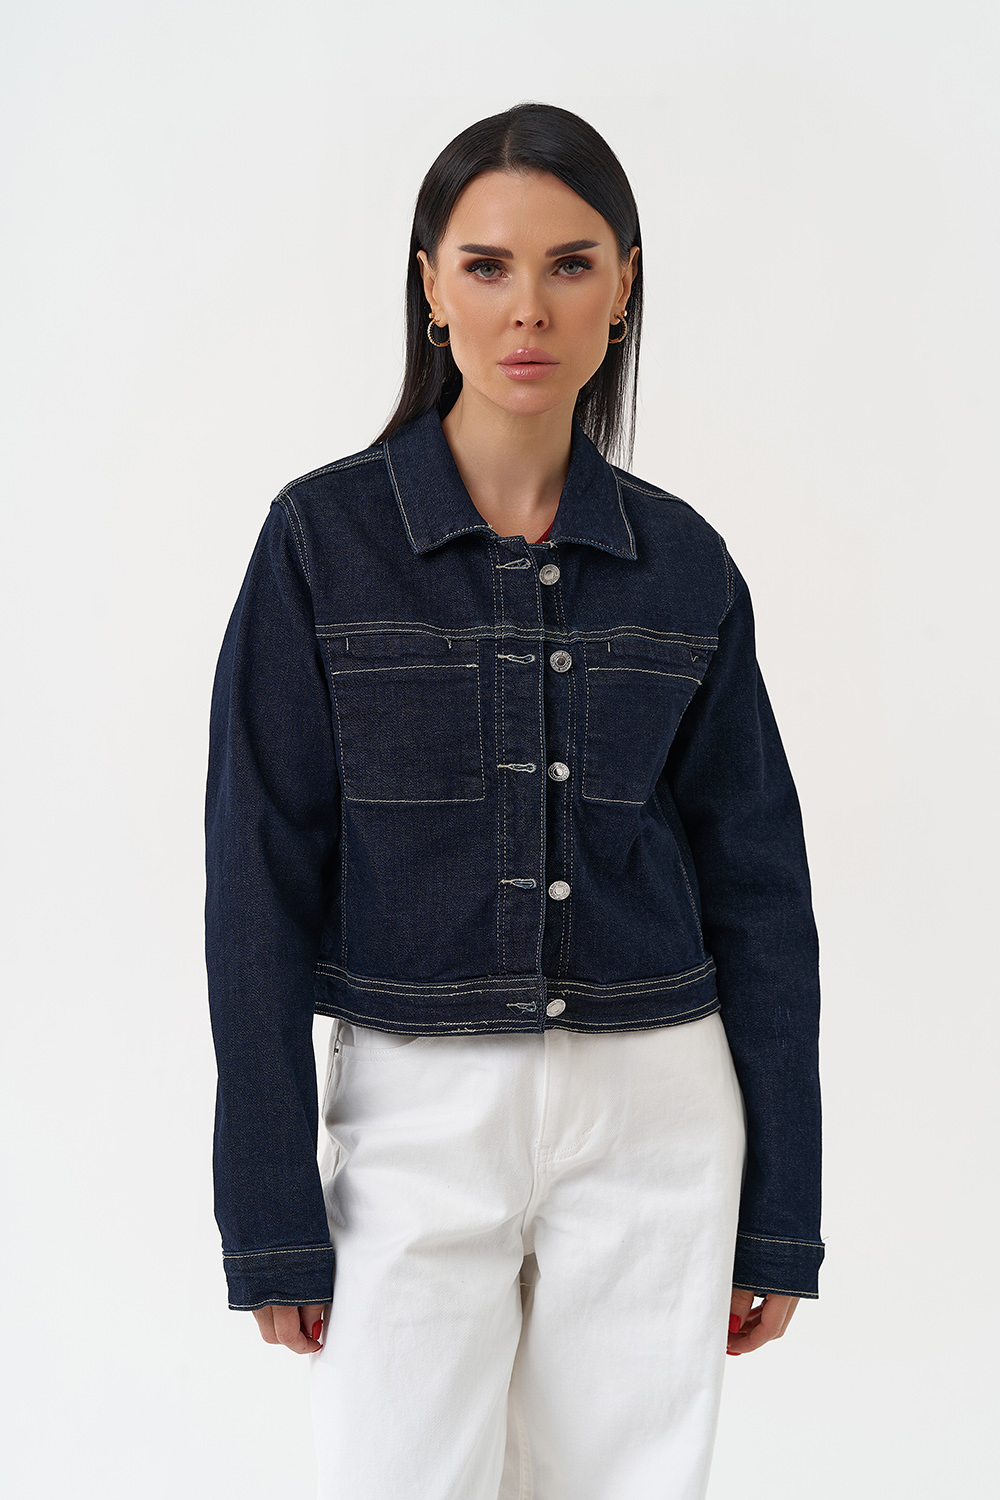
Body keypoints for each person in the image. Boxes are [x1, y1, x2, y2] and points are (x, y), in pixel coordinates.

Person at [204, 101, 824, 1500]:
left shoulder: (686, 563)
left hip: (658, 1108)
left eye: (570, 263)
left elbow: (760, 888)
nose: (527, 308)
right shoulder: (320, 542)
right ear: (430, 285)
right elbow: (255, 874)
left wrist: (783, 1206)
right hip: (414, 1110)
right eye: (486, 265)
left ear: (625, 285)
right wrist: (268, 1207)